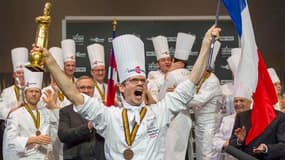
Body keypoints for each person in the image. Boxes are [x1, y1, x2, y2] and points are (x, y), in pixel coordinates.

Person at [43, 26, 221, 159]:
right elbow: (74, 95)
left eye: (142, 81)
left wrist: (205, 45)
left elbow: (190, 82)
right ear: (122, 87)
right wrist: (51, 63)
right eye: (134, 80)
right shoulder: (109, 115)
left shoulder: (160, 112)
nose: (139, 84)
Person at [6, 68, 59, 159]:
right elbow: (10, 141)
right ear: (25, 94)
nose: (34, 94)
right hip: (25, 157)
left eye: (37, 91)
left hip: (45, 157)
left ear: (40, 94)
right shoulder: (15, 115)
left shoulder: (46, 113)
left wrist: (53, 104)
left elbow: (56, 131)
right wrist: (33, 139)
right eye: (31, 91)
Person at [58, 76, 105, 160]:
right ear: (76, 89)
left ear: (94, 90)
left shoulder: (102, 109)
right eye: (82, 87)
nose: (86, 90)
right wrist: (88, 127)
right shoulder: (66, 111)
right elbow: (63, 135)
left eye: (89, 87)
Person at [0, 47, 29, 160]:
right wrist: (15, 108)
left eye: (23, 73)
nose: (21, 76)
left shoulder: (33, 91)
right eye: (18, 73)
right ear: (13, 75)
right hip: (12, 133)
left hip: (28, 133)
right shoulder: (6, 92)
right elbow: (2, 112)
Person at [213, 86, 252, 160]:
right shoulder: (227, 120)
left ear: (249, 102)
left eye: (241, 100)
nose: (238, 103)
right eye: (236, 101)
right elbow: (216, 140)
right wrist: (225, 144)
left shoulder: (256, 119)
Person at [147, 35, 172, 102]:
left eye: (169, 59)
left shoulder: (177, 74)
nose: (167, 62)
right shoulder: (153, 74)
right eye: (163, 60)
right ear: (158, 64)